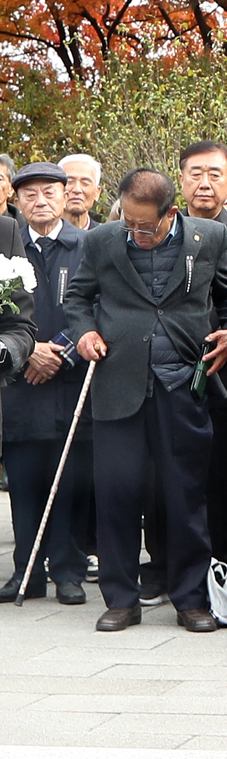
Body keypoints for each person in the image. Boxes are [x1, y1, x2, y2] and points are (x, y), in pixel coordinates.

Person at [64, 168, 227, 632]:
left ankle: (191, 599)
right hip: (118, 384)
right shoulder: (101, 240)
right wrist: (85, 333)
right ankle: (121, 599)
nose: (136, 234)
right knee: (116, 494)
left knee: (185, 496)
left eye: (147, 226)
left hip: (183, 383)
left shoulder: (211, 236)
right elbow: (77, 299)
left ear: (171, 213)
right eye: (129, 223)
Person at [176, 142, 227, 582]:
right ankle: (174, 565)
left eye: (215, 173)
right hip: (172, 373)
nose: (205, 182)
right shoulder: (164, 231)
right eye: (195, 173)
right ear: (181, 178)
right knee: (175, 474)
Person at [0, 165, 67, 603]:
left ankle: (67, 569)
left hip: (53, 380)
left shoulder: (5, 234)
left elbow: (17, 318)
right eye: (31, 193)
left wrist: (27, 348)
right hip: (21, 395)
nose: (39, 201)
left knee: (66, 483)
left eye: (49, 192)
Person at [57, 154, 102, 231]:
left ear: (97, 193)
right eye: (69, 182)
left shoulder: (105, 237)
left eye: (85, 183)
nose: (77, 190)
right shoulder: (42, 235)